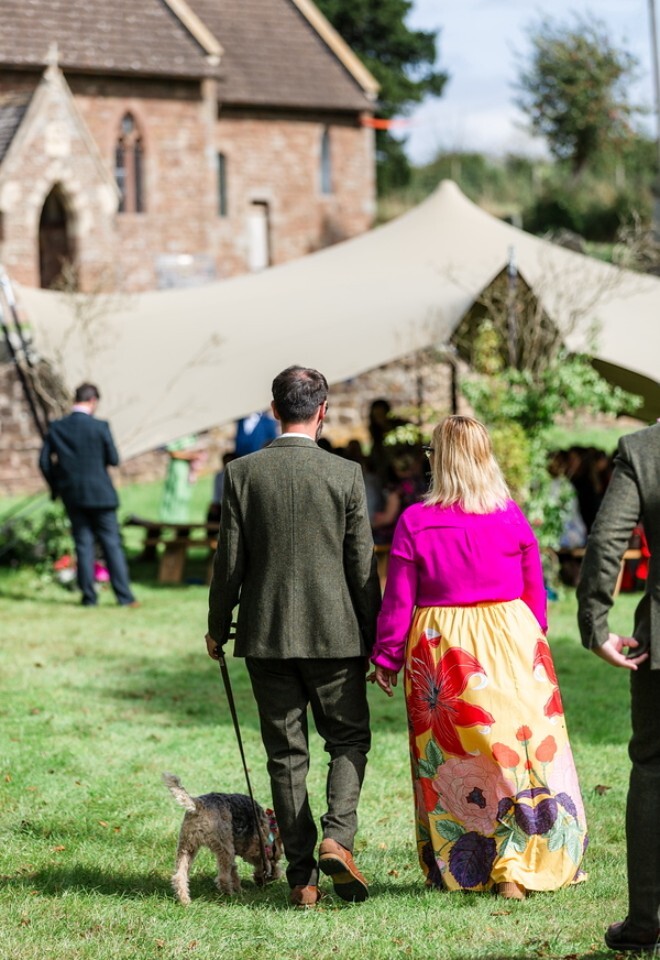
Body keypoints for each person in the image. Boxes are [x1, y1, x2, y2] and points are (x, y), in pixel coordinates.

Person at [369, 416, 587, 899]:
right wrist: (532, 645)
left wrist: (387, 658)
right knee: (521, 753)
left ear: (438, 461)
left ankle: (475, 862)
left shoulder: (416, 521)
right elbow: (535, 591)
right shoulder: (509, 515)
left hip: (445, 647)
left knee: (459, 760)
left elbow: (399, 599)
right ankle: (522, 861)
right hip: (511, 638)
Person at [205, 366, 381, 908]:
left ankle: (302, 879)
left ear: (275, 408)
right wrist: (378, 643)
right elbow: (362, 568)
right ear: (322, 410)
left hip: (265, 635)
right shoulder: (346, 474)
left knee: (286, 755)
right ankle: (337, 838)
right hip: (337, 637)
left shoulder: (241, 473)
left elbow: (229, 562)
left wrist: (218, 627)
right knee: (348, 739)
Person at [577, 422, 660, 954]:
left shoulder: (644, 447)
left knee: (653, 769)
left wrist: (595, 624)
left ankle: (645, 921)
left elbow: (608, 537)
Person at [38, 383, 137, 608]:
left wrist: (58, 487)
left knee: (83, 545)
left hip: (73, 495)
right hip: (101, 495)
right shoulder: (100, 426)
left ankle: (89, 598)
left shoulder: (57, 427)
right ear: (92, 401)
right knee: (111, 544)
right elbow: (113, 458)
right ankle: (125, 598)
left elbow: (44, 462)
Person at [160, 434, 206, 525]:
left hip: (188, 469)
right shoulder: (177, 436)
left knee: (184, 497)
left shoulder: (192, 435)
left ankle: (181, 523)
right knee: (175, 495)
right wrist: (191, 456)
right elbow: (173, 452)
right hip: (178, 467)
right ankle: (169, 522)